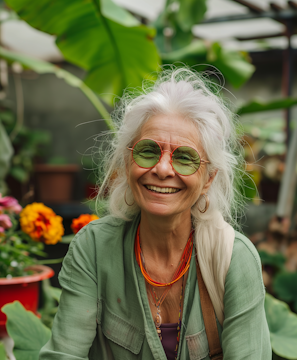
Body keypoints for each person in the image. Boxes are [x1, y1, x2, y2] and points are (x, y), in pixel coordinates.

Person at [40, 67, 271, 360]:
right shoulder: (94, 247)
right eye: (148, 151)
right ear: (127, 162)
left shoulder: (234, 260)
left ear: (208, 179)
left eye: (185, 158)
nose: (162, 169)